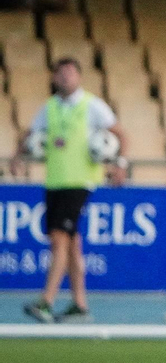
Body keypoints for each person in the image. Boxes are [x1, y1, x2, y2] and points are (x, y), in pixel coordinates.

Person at [9, 57, 127, 323]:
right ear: (53, 78)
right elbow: (29, 134)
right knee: (72, 243)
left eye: (70, 74)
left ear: (79, 77)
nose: (65, 78)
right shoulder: (49, 107)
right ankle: (79, 305)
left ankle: (47, 301)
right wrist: (17, 156)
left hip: (80, 181)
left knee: (58, 238)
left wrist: (120, 163)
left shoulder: (92, 105)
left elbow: (121, 133)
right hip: (55, 181)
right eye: (60, 74)